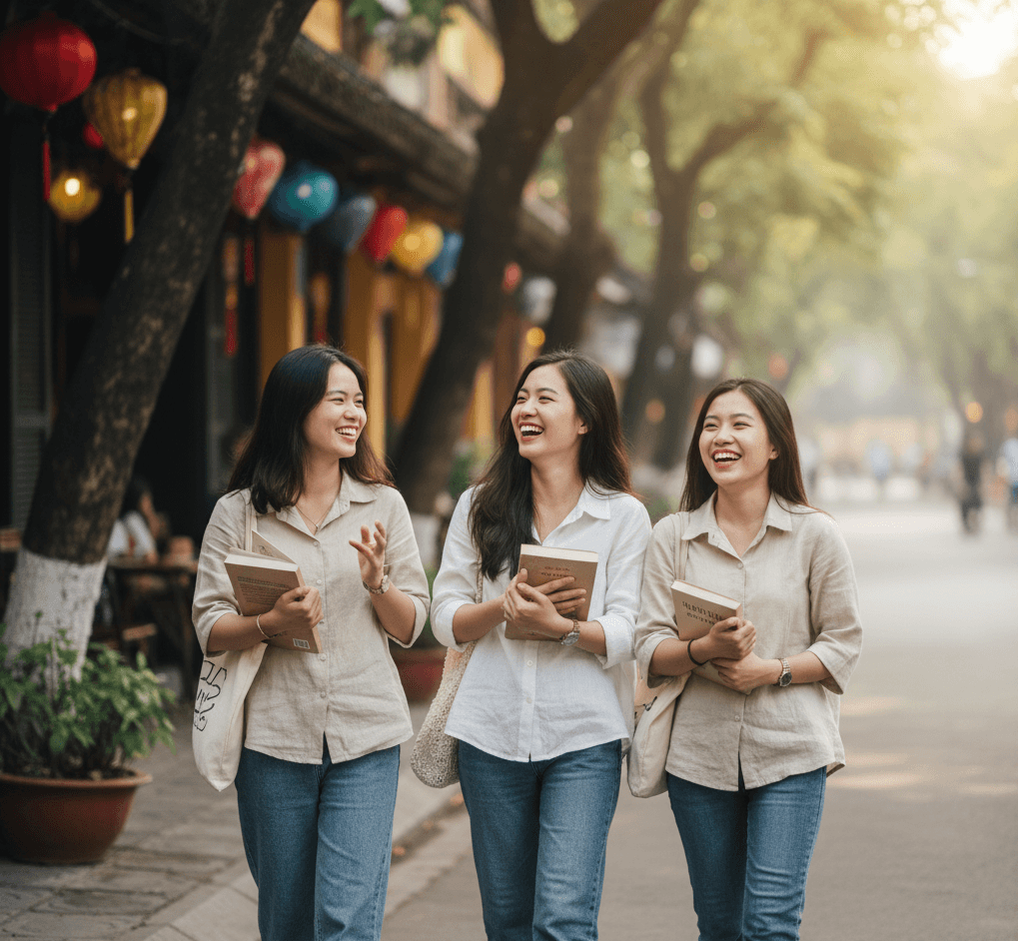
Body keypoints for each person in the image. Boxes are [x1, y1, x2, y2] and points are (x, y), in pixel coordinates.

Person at [191, 345, 430, 941]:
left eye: (360, 401)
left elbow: (411, 626)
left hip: (366, 738)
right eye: (339, 400)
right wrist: (268, 623)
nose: (356, 414)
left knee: (345, 922)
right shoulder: (239, 514)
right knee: (287, 920)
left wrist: (378, 583)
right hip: (273, 740)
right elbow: (209, 626)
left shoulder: (384, 504)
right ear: (295, 409)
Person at [431, 350, 651, 941]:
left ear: (584, 421)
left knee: (563, 919)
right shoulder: (479, 507)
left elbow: (632, 628)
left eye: (544, 398)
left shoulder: (624, 517)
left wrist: (566, 630)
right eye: (521, 398)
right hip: (490, 734)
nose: (525, 408)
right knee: (507, 921)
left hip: (585, 736)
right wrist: (500, 609)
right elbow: (444, 616)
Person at [634, 377, 862, 941]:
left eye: (739, 424)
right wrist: (702, 650)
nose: (721, 437)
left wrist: (774, 669)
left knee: (770, 922)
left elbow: (843, 641)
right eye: (710, 425)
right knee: (719, 923)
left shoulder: (816, 535)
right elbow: (648, 648)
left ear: (776, 444)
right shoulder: (673, 537)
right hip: (698, 757)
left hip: (791, 751)